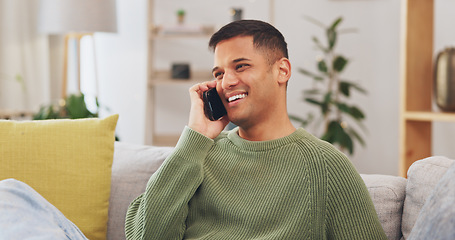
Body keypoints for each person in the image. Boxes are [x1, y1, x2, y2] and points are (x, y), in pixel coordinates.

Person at [125, 19, 387, 239]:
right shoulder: (197, 154)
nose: (226, 82)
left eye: (241, 66)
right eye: (218, 73)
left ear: (282, 71)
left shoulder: (326, 167)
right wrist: (195, 137)